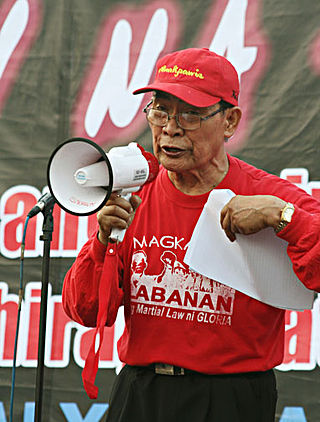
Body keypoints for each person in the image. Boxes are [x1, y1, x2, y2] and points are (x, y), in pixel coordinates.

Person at [62, 48, 320, 422]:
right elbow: (83, 310)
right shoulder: (135, 193)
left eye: (191, 115)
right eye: (160, 110)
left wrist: (281, 217)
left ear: (229, 122)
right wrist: (102, 241)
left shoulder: (269, 196)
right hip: (140, 393)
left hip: (232, 399)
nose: (170, 127)